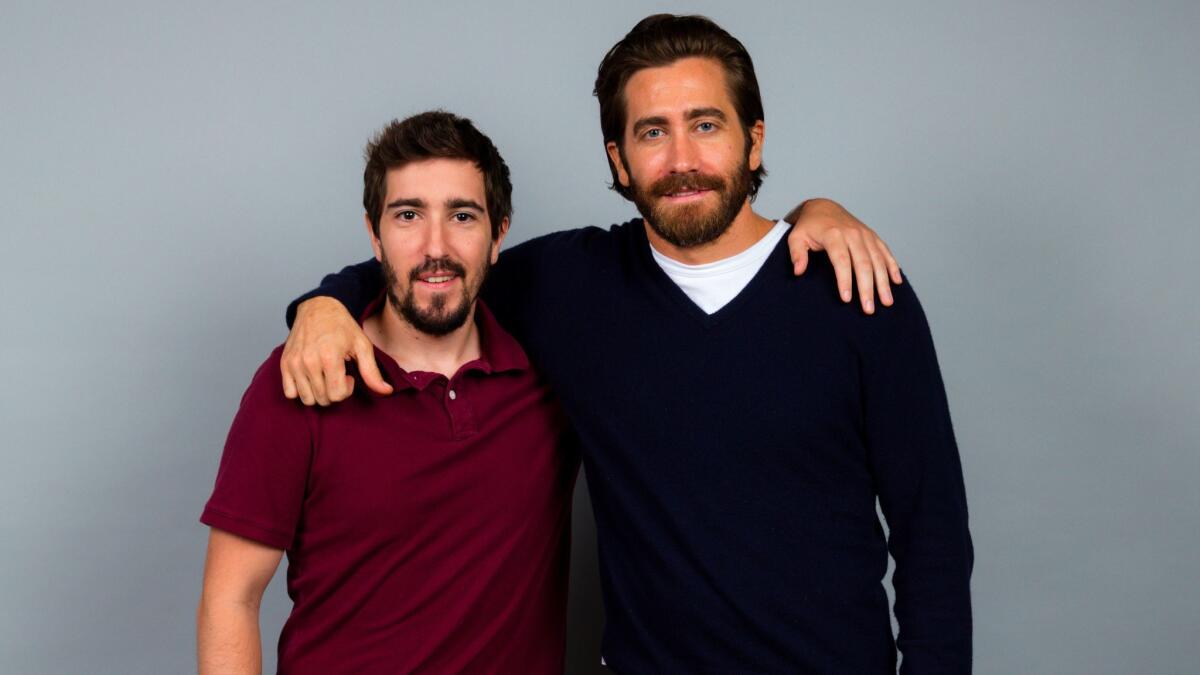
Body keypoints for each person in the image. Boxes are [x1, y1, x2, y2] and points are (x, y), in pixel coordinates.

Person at [284, 14, 972, 673]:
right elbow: (435, 272)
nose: (681, 160)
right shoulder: (570, 287)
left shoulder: (857, 289)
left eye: (706, 125)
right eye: (651, 133)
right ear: (618, 159)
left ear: (753, 141)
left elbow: (931, 536)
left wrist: (816, 212)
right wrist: (325, 303)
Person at [197, 111, 579, 673]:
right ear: (374, 235)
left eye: (462, 215)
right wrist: (322, 303)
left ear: (498, 235)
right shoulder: (302, 377)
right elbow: (230, 600)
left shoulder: (549, 374)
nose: (435, 247)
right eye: (407, 216)